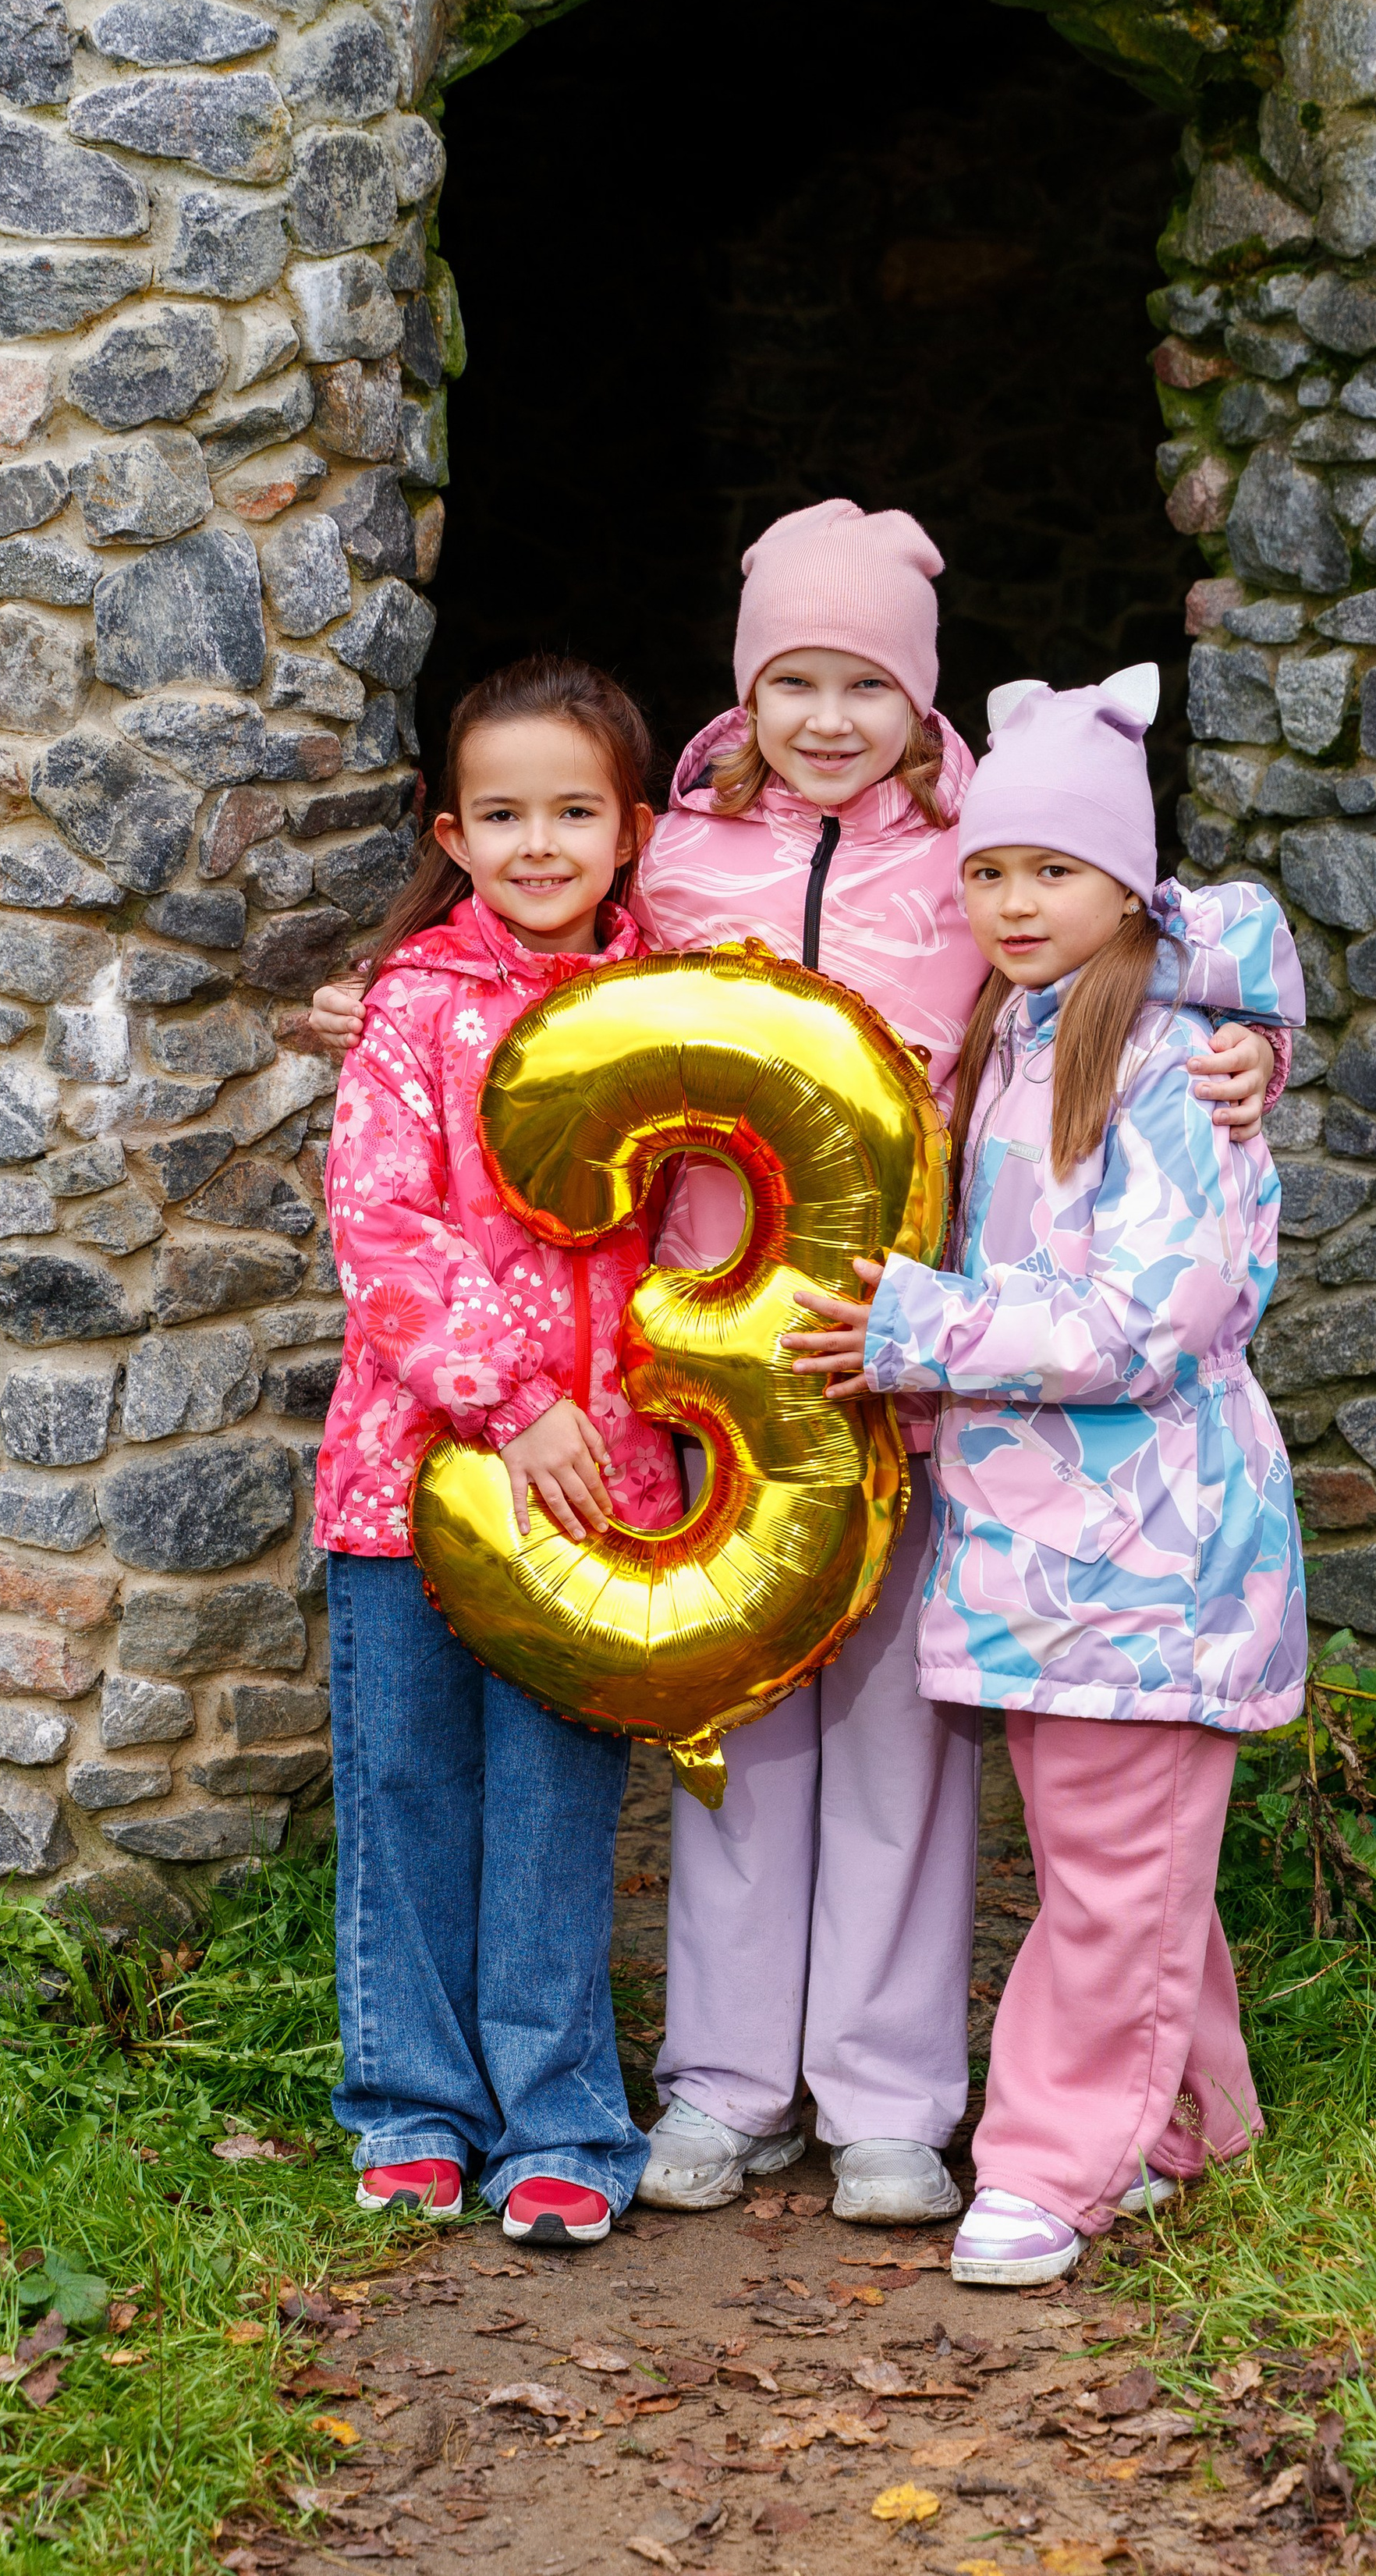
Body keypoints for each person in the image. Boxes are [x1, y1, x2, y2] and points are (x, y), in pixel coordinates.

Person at [310, 499, 1301, 2231]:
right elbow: (552, 985)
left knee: (902, 1741)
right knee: (735, 1735)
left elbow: (1143, 913)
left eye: (864, 684)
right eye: (793, 681)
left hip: (908, 1366)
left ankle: (889, 2095)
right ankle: (720, 2081)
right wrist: (382, 993)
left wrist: (1249, 1035)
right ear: (744, 692)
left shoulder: (972, 855)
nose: (827, 718)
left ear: (920, 701)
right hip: (706, 1371)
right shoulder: (681, 860)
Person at [784, 665, 1307, 2289]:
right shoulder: (1025, 1035)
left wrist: (911, 1329)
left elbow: (1154, 1315)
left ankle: (1045, 2166)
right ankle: (1187, 2120)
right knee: (1124, 1861)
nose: (1012, 900)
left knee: (1106, 1866)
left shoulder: (1166, 1060)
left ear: (1124, 883)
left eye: (1052, 871)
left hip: (1147, 1542)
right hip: (1052, 1540)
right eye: (989, 871)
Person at [314, 654, 684, 2247]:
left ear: (632, 828)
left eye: (573, 811)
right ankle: (410, 2108)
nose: (539, 842)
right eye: (504, 813)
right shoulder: (412, 1013)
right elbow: (379, 1221)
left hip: (597, 1493)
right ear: (452, 834)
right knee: (406, 1785)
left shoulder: (677, 1008)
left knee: (550, 1805)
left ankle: (560, 2127)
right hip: (410, 1477)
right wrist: (507, 1399)